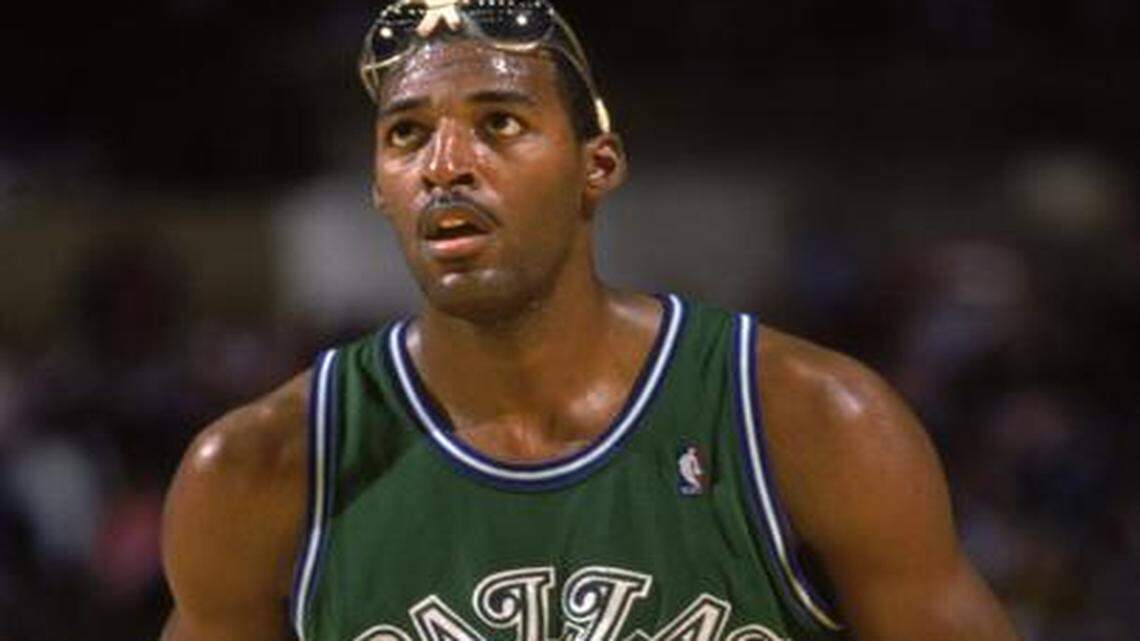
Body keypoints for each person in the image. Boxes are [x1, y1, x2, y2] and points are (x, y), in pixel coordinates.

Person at [160, 1, 1021, 640]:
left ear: (596, 165)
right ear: (379, 188)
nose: (445, 165)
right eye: (407, 135)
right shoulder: (255, 471)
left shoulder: (812, 419)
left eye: (499, 123)